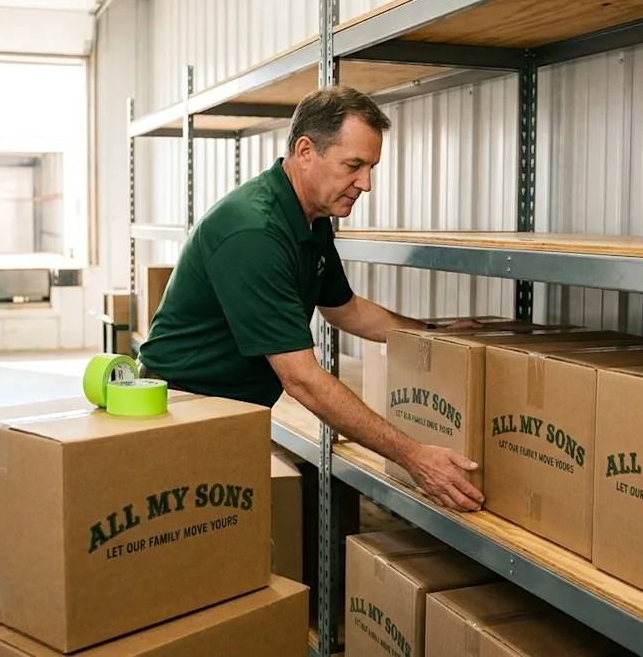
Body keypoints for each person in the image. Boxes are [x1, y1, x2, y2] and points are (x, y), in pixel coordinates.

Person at [137, 85, 485, 512]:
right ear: (305, 151)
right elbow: (301, 379)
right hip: (181, 412)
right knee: (193, 551)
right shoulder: (255, 231)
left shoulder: (310, 216)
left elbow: (346, 309)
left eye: (371, 167)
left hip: (228, 411)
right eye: (354, 165)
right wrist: (415, 456)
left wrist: (432, 334)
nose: (367, 184)